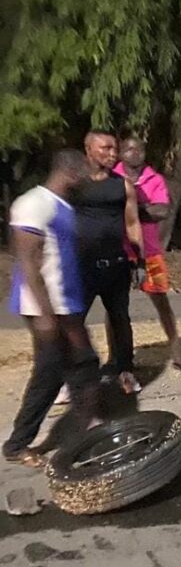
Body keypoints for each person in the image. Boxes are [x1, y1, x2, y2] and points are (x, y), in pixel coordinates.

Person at [3, 150, 104, 466]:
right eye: (86, 173)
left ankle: (88, 431)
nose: (90, 179)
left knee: (84, 365)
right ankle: (17, 445)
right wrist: (45, 314)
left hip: (65, 304)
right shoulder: (34, 203)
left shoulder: (63, 206)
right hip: (46, 308)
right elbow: (27, 260)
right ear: (71, 173)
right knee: (50, 373)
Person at [113, 136, 181, 376]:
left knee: (162, 301)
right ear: (120, 153)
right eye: (129, 149)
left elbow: (162, 210)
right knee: (115, 307)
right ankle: (117, 359)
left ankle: (179, 356)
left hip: (150, 251)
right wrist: (144, 208)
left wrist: (131, 206)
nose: (135, 153)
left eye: (139, 149)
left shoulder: (154, 178)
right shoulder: (112, 177)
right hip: (119, 250)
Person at [77, 130, 145, 393]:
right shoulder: (75, 184)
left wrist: (139, 261)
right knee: (73, 322)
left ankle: (125, 371)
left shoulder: (122, 185)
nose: (113, 153)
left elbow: (132, 223)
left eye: (114, 148)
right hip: (82, 267)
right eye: (105, 148)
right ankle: (71, 378)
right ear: (88, 149)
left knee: (120, 321)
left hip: (116, 265)